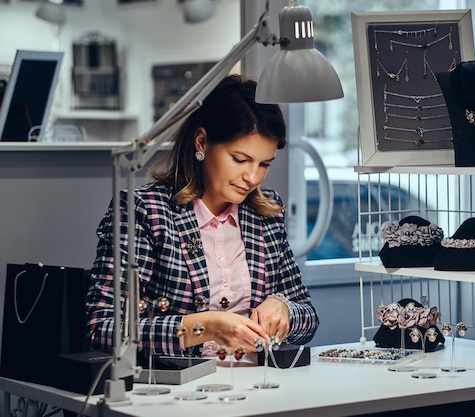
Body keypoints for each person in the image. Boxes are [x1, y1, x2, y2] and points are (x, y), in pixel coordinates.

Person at [85, 74, 319, 360]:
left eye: (264, 164)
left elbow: (308, 318)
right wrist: (205, 326)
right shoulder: (145, 210)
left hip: (257, 386)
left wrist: (284, 308)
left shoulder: (265, 213)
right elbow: (103, 329)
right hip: (178, 393)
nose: (252, 177)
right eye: (240, 159)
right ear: (202, 142)